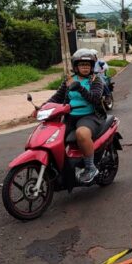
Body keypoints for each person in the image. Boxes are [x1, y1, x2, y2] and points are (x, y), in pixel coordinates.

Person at [46, 49, 106, 184]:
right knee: (51, 137)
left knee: (82, 134)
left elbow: (95, 99)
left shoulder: (95, 80)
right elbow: (57, 97)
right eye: (82, 65)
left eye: (88, 65)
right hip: (69, 117)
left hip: (90, 116)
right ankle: (59, 169)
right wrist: (42, 107)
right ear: (76, 66)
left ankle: (90, 168)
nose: (85, 68)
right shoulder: (69, 80)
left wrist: (79, 88)